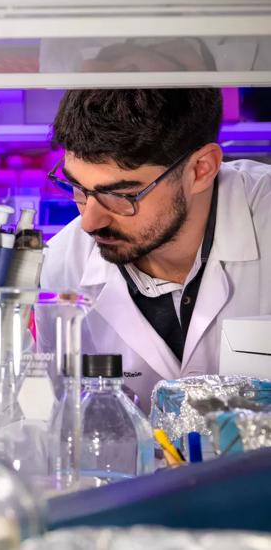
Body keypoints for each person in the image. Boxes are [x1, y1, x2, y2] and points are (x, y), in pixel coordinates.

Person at [41, 88, 271, 409]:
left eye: (122, 195)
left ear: (201, 168)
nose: (89, 222)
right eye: (78, 188)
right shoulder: (64, 265)